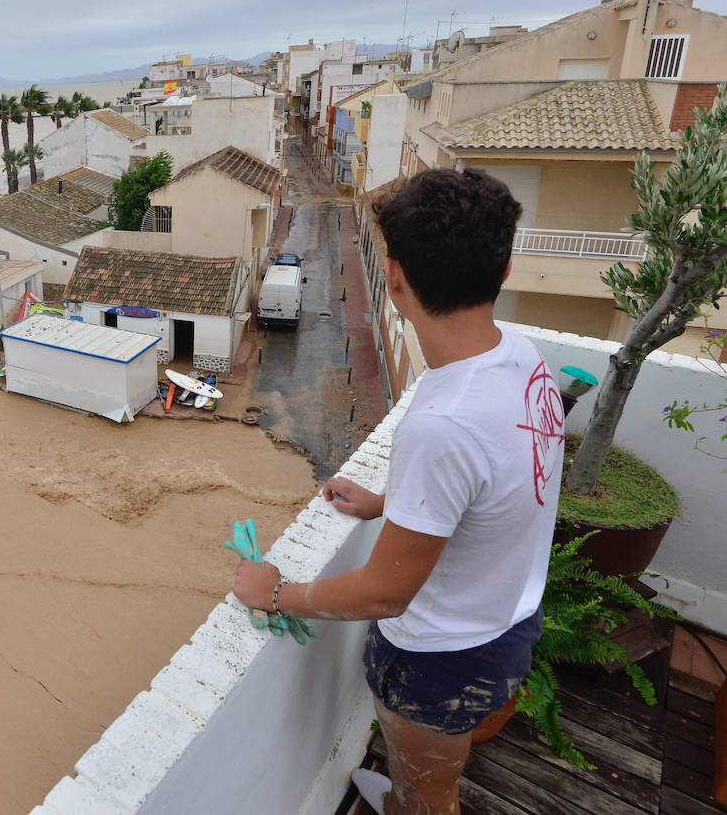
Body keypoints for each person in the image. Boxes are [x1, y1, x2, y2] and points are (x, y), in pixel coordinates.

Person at [233, 168, 564, 815]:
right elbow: (502, 476)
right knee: (427, 772)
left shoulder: (443, 421)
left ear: (397, 278)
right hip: (509, 621)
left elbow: (386, 590)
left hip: (442, 662)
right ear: (503, 270)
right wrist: (393, 502)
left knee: (431, 790)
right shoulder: (522, 357)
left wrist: (275, 592)